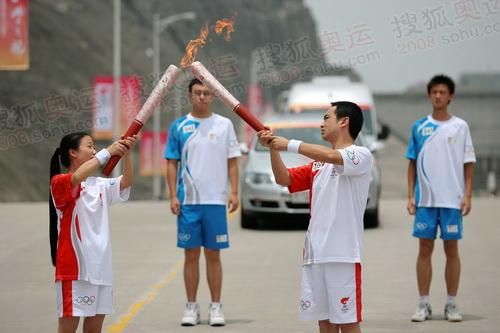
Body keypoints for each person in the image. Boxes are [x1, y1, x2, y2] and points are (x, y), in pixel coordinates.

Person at [258, 101, 373, 333]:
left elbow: (335, 157)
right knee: (325, 323)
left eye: (326, 118)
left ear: (344, 121)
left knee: (348, 322)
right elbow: (284, 179)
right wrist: (273, 148)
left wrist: (289, 144)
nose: (322, 124)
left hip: (342, 255)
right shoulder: (317, 165)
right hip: (315, 255)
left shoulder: (360, 155)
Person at [165, 78, 241, 326]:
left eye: (207, 93)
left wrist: (234, 192)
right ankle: (191, 307)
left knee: (213, 255)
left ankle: (216, 307)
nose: (202, 97)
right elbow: (171, 162)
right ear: (189, 95)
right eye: (198, 93)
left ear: (213, 97)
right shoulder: (179, 126)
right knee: (190, 255)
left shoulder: (224, 125)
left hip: (215, 200)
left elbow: (232, 160)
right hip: (189, 201)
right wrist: (172, 195)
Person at [49, 132, 136, 333]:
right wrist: (108, 152)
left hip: (101, 267)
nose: (94, 150)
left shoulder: (99, 185)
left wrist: (127, 155)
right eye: (89, 146)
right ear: (73, 153)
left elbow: (125, 183)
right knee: (68, 327)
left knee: (94, 328)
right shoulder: (60, 183)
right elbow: (78, 176)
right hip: (75, 270)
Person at [406, 74, 475, 323]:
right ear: (429, 95)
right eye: (434, 92)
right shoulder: (419, 127)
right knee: (424, 249)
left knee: (451, 249)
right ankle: (424, 304)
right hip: (425, 200)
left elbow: (469, 164)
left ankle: (451, 304)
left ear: (451, 96)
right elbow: (412, 164)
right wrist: (410, 195)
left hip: (451, 200)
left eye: (442, 92)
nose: (438, 96)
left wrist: (467, 195)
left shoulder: (461, 127)